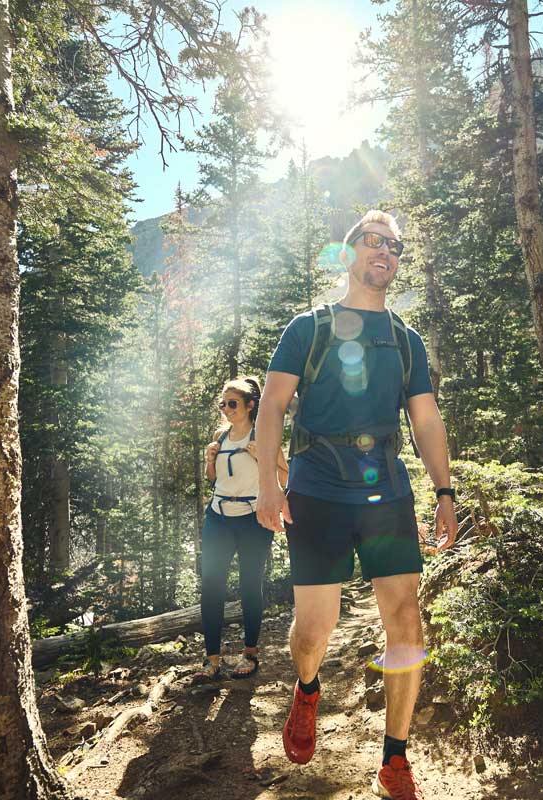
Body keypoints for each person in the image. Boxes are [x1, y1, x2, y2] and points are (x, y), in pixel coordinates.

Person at [255, 210, 458, 800]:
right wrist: (269, 482)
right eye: (374, 242)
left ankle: (395, 758)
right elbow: (270, 408)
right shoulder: (308, 328)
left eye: (395, 247)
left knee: (406, 618)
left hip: (387, 487)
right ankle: (308, 688)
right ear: (349, 254)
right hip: (317, 486)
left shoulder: (405, 339)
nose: (386, 253)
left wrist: (443, 491)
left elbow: (425, 418)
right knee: (315, 628)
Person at [193, 376, 289, 683]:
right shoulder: (221, 438)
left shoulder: (265, 436)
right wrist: (210, 461)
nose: (226, 409)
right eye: (222, 404)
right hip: (219, 517)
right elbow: (214, 479)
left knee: (250, 585)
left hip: (253, 518)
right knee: (211, 587)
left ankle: (250, 654)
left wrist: (264, 457)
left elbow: (287, 477)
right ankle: (212, 660)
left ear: (250, 405)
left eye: (232, 403)